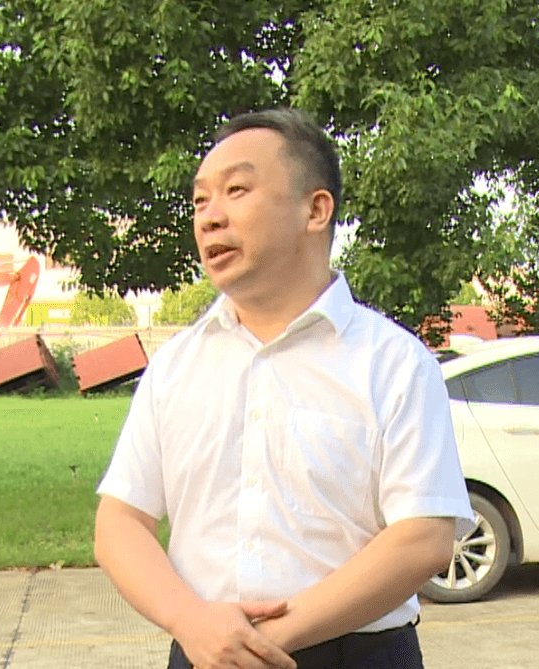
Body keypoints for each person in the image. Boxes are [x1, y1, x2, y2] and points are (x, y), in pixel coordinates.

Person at [95, 108, 473, 669]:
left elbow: (423, 537)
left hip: (354, 653)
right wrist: (190, 621)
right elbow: (120, 522)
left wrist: (260, 642)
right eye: (200, 200)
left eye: (236, 190)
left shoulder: (393, 363)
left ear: (315, 209)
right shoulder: (176, 366)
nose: (210, 217)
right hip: (202, 649)